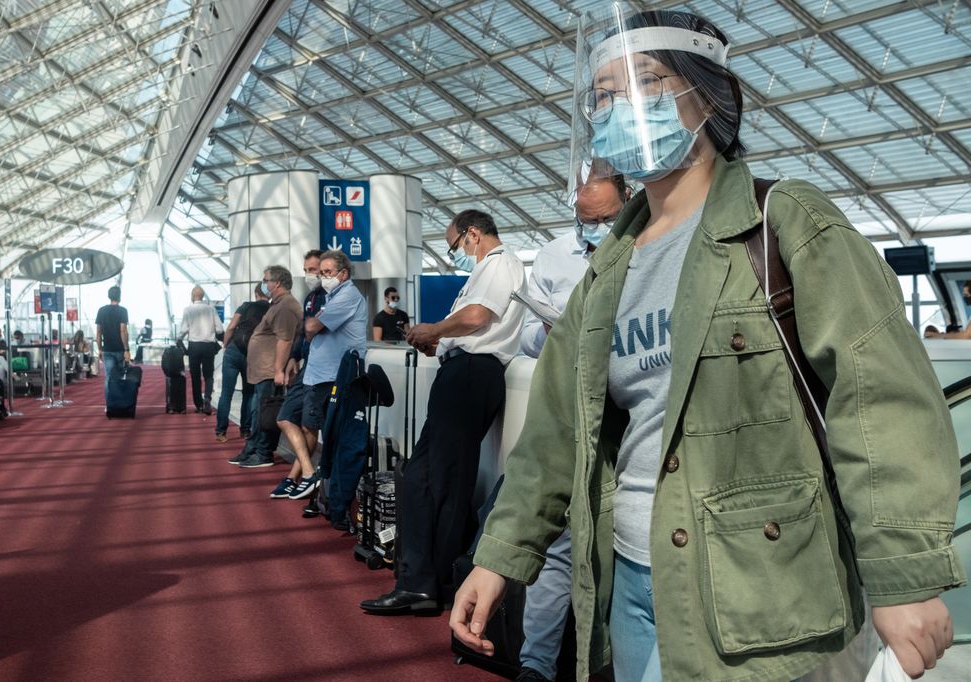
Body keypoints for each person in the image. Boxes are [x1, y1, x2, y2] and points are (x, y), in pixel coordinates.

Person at [451, 8, 965, 682]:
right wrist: (501, 552)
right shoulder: (607, 270)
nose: (618, 109)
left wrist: (904, 576)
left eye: (643, 85)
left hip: (757, 579)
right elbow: (554, 430)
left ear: (710, 97)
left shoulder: (783, 224)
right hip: (631, 575)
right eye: (602, 96)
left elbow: (880, 400)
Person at [361, 208, 526, 615]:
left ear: (472, 234)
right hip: (468, 371)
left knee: (431, 479)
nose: (455, 252)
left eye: (454, 245)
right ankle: (430, 580)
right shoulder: (491, 268)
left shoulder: (498, 264)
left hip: (471, 374)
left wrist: (435, 330)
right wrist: (440, 342)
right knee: (437, 480)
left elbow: (477, 317)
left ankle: (420, 583)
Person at [514, 175, 627, 682]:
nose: (598, 228)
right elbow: (523, 342)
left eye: (607, 219)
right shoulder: (554, 256)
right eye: (589, 221)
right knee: (559, 540)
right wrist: (545, 334)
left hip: (629, 415)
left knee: (627, 542)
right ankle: (537, 664)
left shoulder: (648, 244)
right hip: (570, 414)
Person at [269, 249, 366, 498]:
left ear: (343, 274)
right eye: (317, 272)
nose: (321, 277)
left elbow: (311, 325)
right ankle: (308, 477)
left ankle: (318, 483)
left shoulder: (347, 296)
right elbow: (308, 329)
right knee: (304, 423)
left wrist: (314, 326)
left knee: (322, 430)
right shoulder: (324, 296)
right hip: (316, 373)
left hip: (333, 375)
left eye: (326, 272)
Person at [228, 265, 303, 468]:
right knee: (258, 412)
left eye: (266, 279)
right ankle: (252, 448)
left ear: (276, 283)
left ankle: (263, 453)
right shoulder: (277, 304)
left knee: (266, 413)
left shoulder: (285, 306)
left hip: (271, 370)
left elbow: (285, 340)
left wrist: (278, 369)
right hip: (264, 370)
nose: (264, 283)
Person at [269, 250, 326, 499]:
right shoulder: (310, 298)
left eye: (313, 270)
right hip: (306, 366)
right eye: (306, 270)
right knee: (286, 418)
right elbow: (304, 332)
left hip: (322, 369)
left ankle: (298, 476)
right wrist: (294, 356)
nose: (309, 275)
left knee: (307, 424)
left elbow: (317, 330)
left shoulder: (332, 297)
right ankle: (306, 473)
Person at [215, 283, 269, 442]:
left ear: (256, 293)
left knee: (226, 393)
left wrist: (225, 346)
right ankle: (245, 430)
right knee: (249, 393)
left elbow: (231, 327)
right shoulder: (271, 309)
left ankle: (221, 432)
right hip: (252, 354)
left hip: (234, 350)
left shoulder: (246, 306)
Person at [178, 287, 224, 415]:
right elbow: (220, 329)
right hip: (209, 346)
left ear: (193, 295)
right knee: (209, 376)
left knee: (195, 376)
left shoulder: (188, 310)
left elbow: (183, 330)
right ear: (203, 296)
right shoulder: (211, 309)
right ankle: (207, 399)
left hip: (194, 346)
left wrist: (179, 339)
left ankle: (198, 404)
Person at [95, 285, 130, 399]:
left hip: (107, 349)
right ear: (119, 297)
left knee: (109, 377)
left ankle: (109, 404)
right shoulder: (123, 311)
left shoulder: (101, 310)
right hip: (119, 349)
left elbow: (98, 333)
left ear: (109, 296)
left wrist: (100, 349)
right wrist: (126, 349)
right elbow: (123, 330)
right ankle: (120, 403)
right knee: (120, 376)